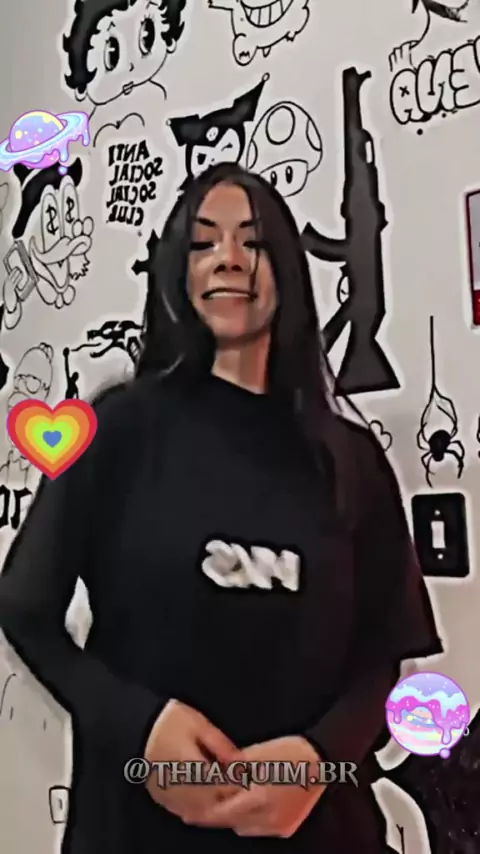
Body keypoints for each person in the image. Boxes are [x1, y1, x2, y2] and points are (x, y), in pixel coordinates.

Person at [0, 162, 442, 854]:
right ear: (179, 271)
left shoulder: (350, 458)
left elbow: (381, 657)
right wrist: (141, 725)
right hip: (136, 832)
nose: (229, 258)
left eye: (253, 241)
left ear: (286, 270)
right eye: (204, 242)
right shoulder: (115, 431)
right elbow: (24, 610)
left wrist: (317, 760)